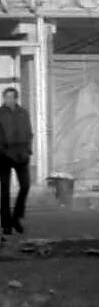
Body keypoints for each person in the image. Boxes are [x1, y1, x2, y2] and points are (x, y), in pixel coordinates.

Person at [0, 86, 34, 237]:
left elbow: (29, 132)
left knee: (25, 186)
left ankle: (16, 217)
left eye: (11, 97)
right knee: (5, 191)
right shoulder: (0, 113)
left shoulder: (23, 113)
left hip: (21, 155)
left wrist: (28, 150)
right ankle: (6, 224)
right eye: (6, 97)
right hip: (4, 155)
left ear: (16, 98)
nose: (8, 100)